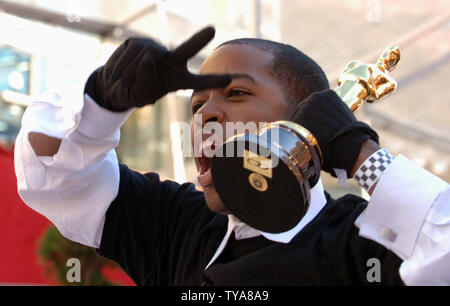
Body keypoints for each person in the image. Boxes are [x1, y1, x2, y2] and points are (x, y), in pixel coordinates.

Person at [15, 27, 449, 285]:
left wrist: (361, 153)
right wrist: (99, 104)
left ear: (307, 119)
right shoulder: (174, 223)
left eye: (237, 93)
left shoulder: (363, 243)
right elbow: (52, 177)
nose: (207, 114)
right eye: (196, 106)